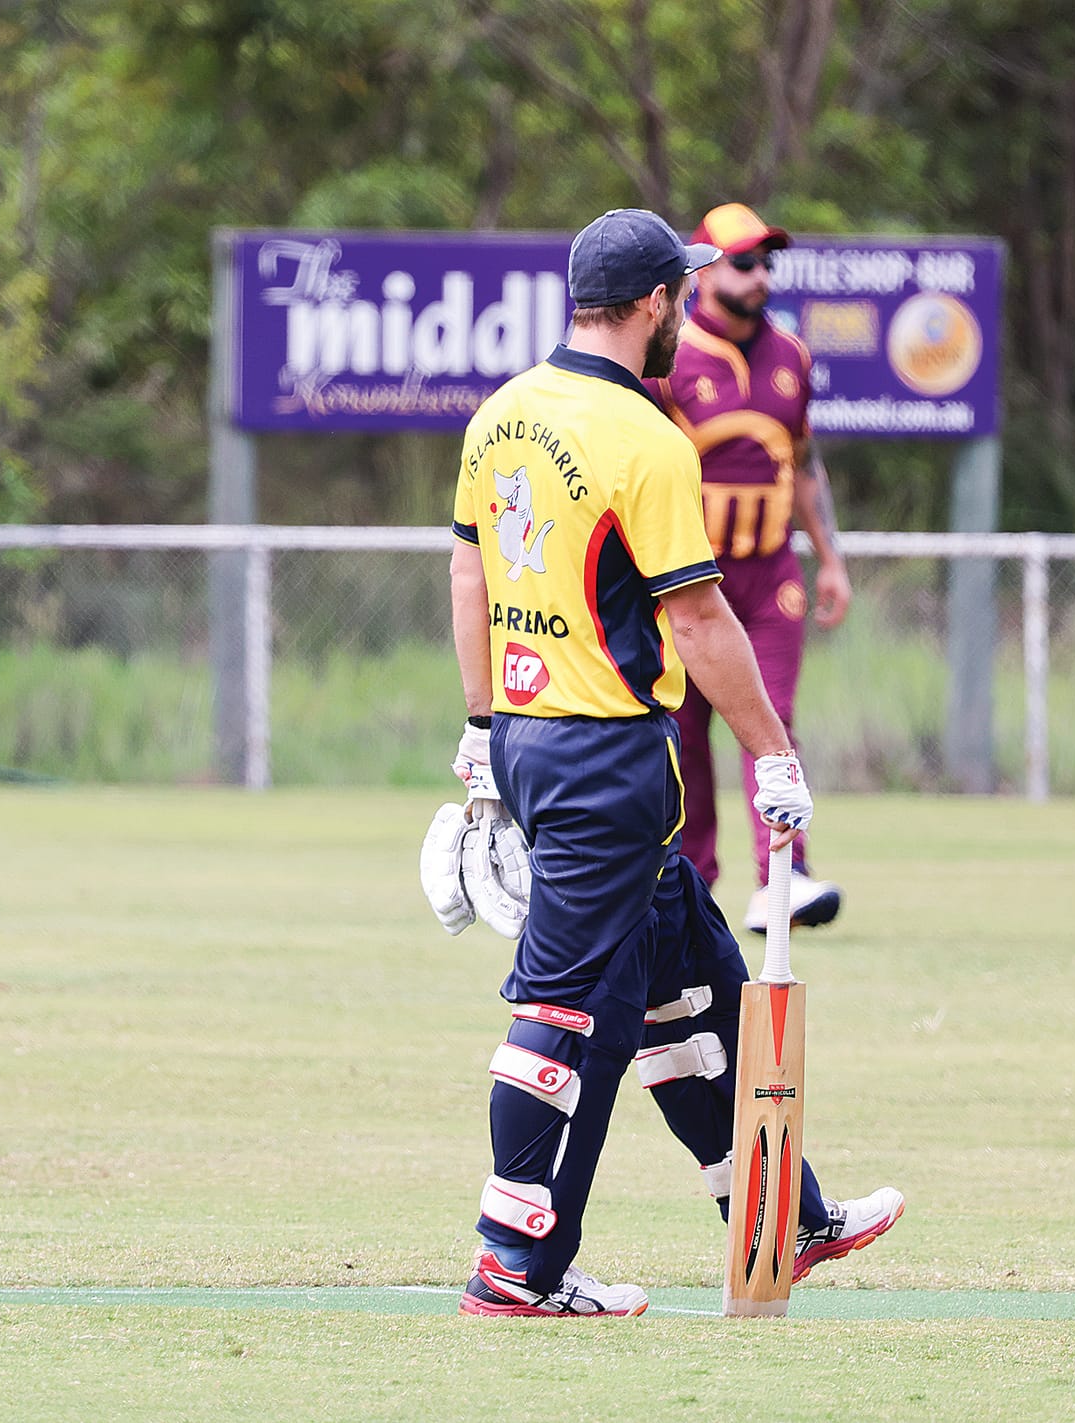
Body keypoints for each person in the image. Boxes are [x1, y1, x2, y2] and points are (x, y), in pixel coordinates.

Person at [444, 209, 899, 1317]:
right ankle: (516, 1266)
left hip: (533, 735)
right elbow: (696, 620)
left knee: (695, 991)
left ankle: (780, 1214)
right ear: (655, 303)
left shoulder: (501, 413)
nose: (684, 308)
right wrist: (774, 755)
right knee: (562, 1016)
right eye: (678, 294)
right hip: (606, 754)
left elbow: (467, 581)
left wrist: (479, 727)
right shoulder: (643, 433)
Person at [655, 202, 851, 934]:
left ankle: (784, 876)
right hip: (689, 577)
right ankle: (690, 880)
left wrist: (830, 558)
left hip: (771, 574)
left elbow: (802, 465)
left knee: (772, 720)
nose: (760, 274)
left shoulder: (792, 356)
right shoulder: (669, 359)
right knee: (684, 730)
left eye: (768, 261)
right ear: (705, 270)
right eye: (744, 261)